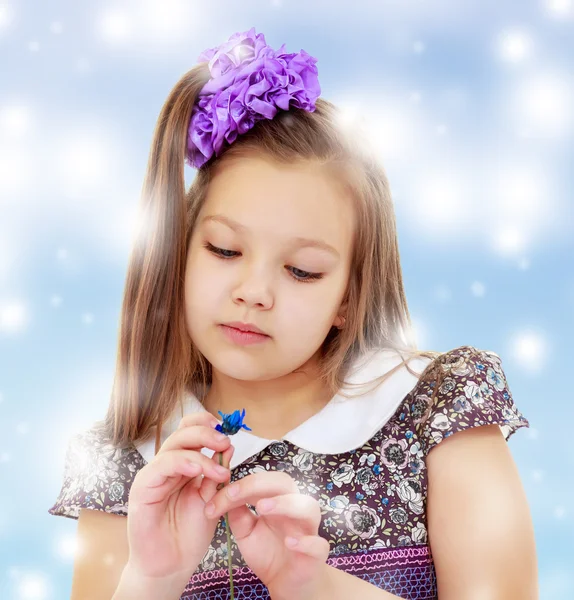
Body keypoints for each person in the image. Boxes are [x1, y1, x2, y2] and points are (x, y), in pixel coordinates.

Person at [48, 27, 538, 600]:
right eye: (224, 250)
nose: (254, 292)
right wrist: (152, 581)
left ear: (348, 299)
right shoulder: (124, 459)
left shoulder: (436, 410)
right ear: (180, 251)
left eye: (302, 271)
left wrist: (311, 585)